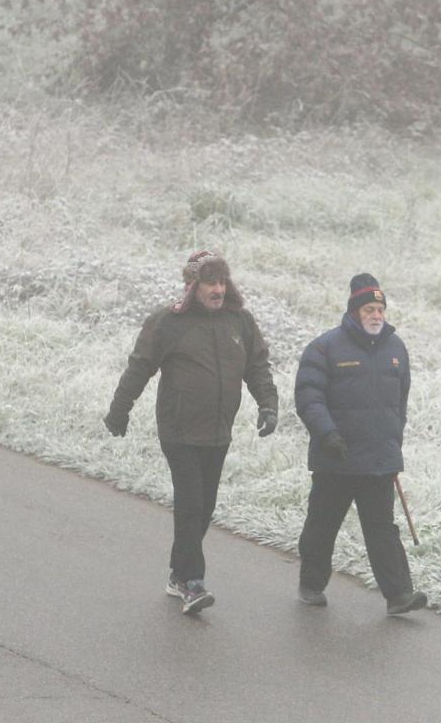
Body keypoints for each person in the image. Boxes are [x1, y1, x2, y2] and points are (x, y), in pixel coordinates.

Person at [104, 251, 278, 615]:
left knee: (205, 508)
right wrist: (120, 410)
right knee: (191, 503)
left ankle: (176, 572)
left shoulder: (240, 322)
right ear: (192, 286)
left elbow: (257, 365)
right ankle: (191, 582)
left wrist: (268, 404)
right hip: (179, 428)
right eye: (209, 283)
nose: (217, 289)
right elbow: (140, 367)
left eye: (221, 282)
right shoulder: (168, 322)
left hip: (218, 430)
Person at [293, 272, 427, 615]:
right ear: (354, 311)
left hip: (378, 461)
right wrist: (327, 434)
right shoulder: (324, 348)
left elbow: (400, 402)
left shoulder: (396, 349)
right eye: (369, 308)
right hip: (335, 458)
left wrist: (393, 442)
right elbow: (309, 398)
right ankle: (311, 584)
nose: (376, 315)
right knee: (322, 527)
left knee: (382, 530)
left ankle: (399, 596)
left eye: (380, 308)